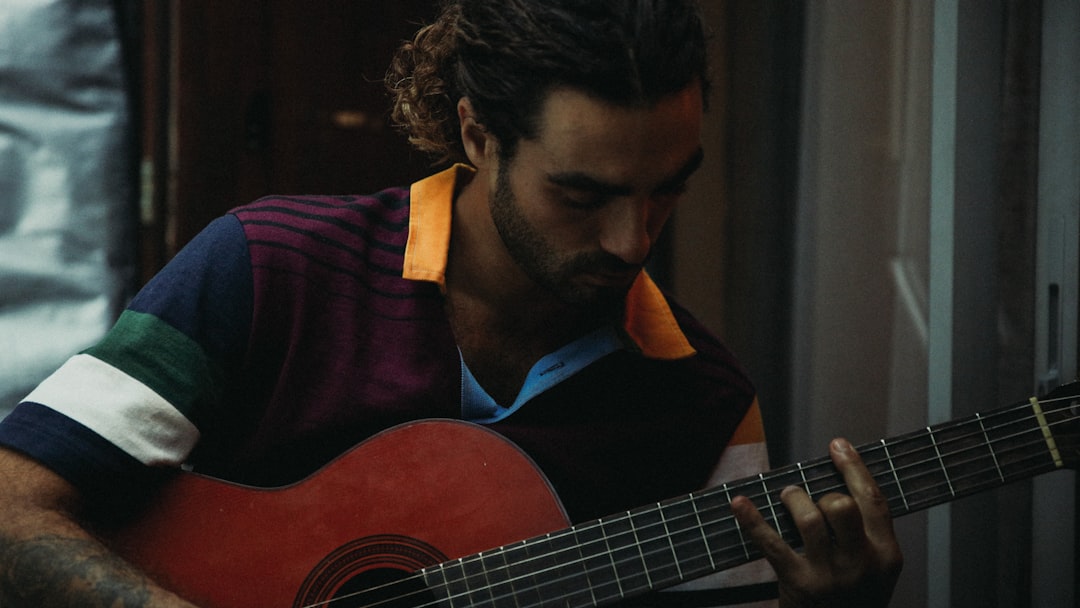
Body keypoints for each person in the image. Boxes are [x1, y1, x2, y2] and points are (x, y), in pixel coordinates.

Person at [0, 1, 902, 606]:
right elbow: (13, 507)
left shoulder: (703, 402)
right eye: (583, 196)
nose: (634, 241)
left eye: (667, 189)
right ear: (478, 133)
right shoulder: (266, 266)